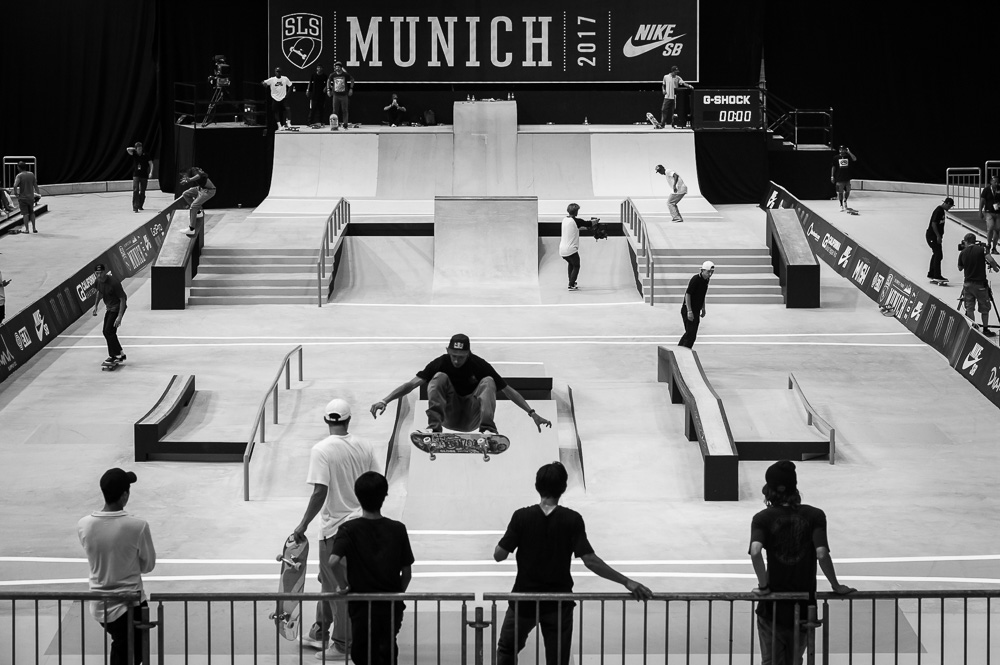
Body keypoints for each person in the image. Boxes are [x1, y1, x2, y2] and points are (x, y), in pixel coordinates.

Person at [494, 462, 653, 665]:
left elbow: (499, 555)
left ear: (537, 486)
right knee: (558, 659)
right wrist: (626, 581)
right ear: (563, 488)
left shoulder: (521, 517)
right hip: (559, 603)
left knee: (507, 649)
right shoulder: (572, 520)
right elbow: (590, 560)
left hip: (523, 600)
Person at [292, 398, 380, 659]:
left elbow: (320, 491)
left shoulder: (322, 450)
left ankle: (343, 644)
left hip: (335, 531)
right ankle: (320, 630)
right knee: (329, 582)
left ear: (325, 420)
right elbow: (377, 482)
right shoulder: (365, 446)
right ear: (349, 420)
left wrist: (303, 524)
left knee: (337, 587)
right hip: (362, 526)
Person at [749, 461, 855, 665]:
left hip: (772, 607)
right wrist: (836, 585)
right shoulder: (815, 515)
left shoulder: (762, 518)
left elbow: (755, 551)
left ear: (769, 490)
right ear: (794, 487)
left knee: (770, 662)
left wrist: (764, 586)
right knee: (795, 660)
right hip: (804, 607)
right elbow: (822, 553)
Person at [370, 333, 552, 435]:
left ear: (468, 354)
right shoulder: (441, 362)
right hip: (449, 415)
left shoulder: (479, 365)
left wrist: (532, 413)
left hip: (472, 417)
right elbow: (411, 385)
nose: (456, 361)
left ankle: (488, 430)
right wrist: (385, 400)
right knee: (438, 377)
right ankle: (434, 427)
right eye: (453, 356)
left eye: (461, 357)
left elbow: (509, 391)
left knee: (489, 381)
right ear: (448, 351)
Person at [328, 471, 414, 665]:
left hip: (361, 605)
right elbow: (407, 573)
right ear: (385, 496)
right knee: (387, 650)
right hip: (390, 604)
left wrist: (343, 586)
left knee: (362, 651)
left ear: (357, 496)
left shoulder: (348, 529)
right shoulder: (398, 529)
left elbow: (333, 561)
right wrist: (396, 594)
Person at [77, 468, 156, 665]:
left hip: (99, 603)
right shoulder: (138, 526)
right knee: (131, 653)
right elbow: (148, 565)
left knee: (122, 647)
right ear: (124, 496)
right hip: (130, 604)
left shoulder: (84, 525)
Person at [958, 232, 1000, 337]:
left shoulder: (963, 252)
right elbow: (991, 260)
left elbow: (960, 268)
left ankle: (972, 329)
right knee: (984, 308)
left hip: (967, 284)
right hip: (980, 285)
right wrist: (995, 268)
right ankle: (985, 329)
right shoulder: (982, 250)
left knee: (969, 308)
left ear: (966, 241)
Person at [91, 263, 127, 364]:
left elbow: (122, 299)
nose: (99, 275)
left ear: (105, 272)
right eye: (97, 273)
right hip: (109, 308)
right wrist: (96, 305)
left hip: (117, 307)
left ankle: (114, 355)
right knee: (108, 331)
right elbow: (99, 292)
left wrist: (119, 316)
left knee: (108, 331)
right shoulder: (98, 281)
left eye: (101, 273)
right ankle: (121, 353)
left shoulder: (114, 282)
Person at [559, 203, 599, 291]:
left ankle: (571, 281)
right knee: (576, 265)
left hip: (562, 249)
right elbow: (588, 223)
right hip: (571, 249)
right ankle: (571, 284)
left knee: (571, 264)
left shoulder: (565, 220)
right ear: (576, 212)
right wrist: (596, 221)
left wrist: (586, 228)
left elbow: (575, 228)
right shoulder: (577, 221)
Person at [679, 261, 714, 348]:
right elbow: (688, 294)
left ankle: (680, 349)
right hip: (688, 309)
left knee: (691, 334)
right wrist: (689, 311)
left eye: (712, 272)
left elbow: (702, 295)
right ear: (702, 270)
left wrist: (703, 308)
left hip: (696, 310)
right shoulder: (695, 279)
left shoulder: (706, 280)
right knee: (690, 334)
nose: (710, 274)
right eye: (708, 272)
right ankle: (682, 350)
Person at [179, 166, 216, 237]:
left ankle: (191, 229)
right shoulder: (193, 171)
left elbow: (198, 176)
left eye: (184, 175)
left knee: (193, 206)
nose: (183, 176)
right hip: (201, 188)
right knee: (186, 194)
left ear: (187, 172)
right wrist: (187, 180)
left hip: (209, 191)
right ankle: (198, 212)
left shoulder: (194, 170)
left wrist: (189, 180)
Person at [926, 197, 954, 283]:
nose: (949, 208)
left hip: (934, 236)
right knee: (938, 254)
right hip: (932, 236)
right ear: (946, 204)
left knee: (936, 254)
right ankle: (936, 275)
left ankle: (931, 273)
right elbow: (934, 224)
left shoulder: (941, 211)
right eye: (949, 206)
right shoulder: (938, 211)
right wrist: (938, 236)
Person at [12, 161, 40, 234]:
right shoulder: (31, 174)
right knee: (32, 212)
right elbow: (35, 185)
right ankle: (34, 228)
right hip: (31, 197)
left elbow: (15, 185)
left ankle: (27, 229)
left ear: (19, 167)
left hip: (23, 198)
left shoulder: (19, 175)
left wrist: (16, 193)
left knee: (25, 214)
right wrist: (38, 194)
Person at [126, 142, 153, 213]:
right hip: (136, 175)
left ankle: (140, 205)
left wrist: (151, 172)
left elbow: (151, 163)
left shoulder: (146, 155)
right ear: (136, 149)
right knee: (136, 190)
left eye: (141, 148)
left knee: (142, 191)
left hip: (144, 175)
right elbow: (128, 149)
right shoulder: (134, 154)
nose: (140, 150)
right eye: (138, 149)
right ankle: (135, 207)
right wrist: (134, 149)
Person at [327, 62, 355, 128]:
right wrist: (328, 89)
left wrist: (351, 88)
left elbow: (352, 79)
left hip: (344, 95)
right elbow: (328, 81)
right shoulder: (332, 75)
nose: (337, 68)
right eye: (336, 67)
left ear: (341, 68)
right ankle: (335, 123)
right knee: (335, 110)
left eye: (338, 67)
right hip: (335, 95)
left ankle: (345, 123)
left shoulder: (345, 74)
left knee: (344, 110)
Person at [830, 146, 857, 212]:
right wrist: (832, 176)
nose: (841, 151)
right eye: (840, 149)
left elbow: (854, 159)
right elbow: (833, 167)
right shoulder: (836, 157)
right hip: (839, 177)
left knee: (848, 191)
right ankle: (841, 204)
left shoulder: (848, 157)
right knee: (840, 192)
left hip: (847, 178)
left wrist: (849, 152)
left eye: (843, 149)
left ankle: (845, 200)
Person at [980, 175, 1000, 254]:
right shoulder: (986, 190)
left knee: (997, 230)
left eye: (998, 182)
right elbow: (982, 201)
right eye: (995, 182)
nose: (996, 183)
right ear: (991, 182)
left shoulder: (999, 189)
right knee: (990, 227)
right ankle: (988, 244)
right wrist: (980, 211)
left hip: (998, 213)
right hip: (989, 212)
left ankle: (994, 247)